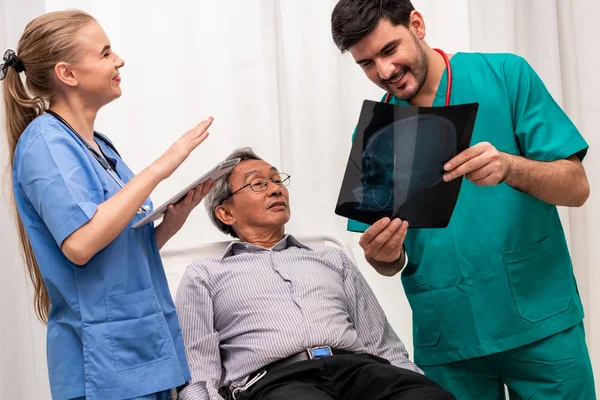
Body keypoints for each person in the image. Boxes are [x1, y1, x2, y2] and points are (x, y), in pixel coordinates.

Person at [330, 1, 596, 399]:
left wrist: (511, 167)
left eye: (389, 50)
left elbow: (576, 188)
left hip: (539, 320)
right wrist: (381, 255)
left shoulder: (505, 75)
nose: (384, 72)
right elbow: (389, 262)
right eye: (367, 63)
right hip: (449, 336)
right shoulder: (373, 132)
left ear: (417, 25)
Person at [2, 10, 214, 400]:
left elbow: (117, 250)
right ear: (68, 74)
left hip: (144, 348)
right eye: (104, 53)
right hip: (102, 363)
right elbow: (81, 245)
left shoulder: (101, 147)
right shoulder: (46, 143)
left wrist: (170, 223)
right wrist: (160, 167)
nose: (118, 61)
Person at [175, 147, 455, 400]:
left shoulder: (331, 258)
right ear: (226, 214)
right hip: (275, 382)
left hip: (359, 371)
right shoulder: (205, 274)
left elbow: (381, 343)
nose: (275, 190)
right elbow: (197, 368)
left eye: (276, 180)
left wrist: (410, 379)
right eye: (258, 184)